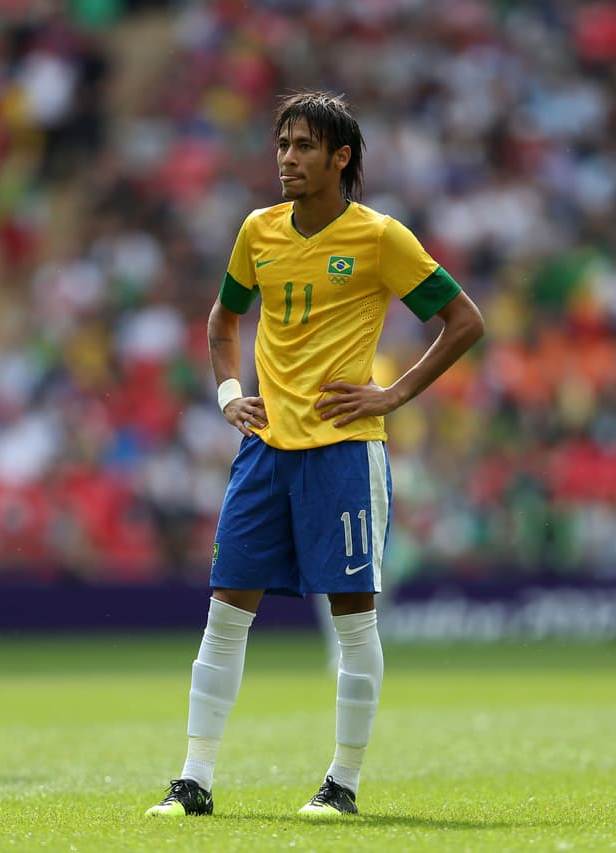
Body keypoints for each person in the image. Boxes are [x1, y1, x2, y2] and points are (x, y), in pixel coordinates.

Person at [146, 91, 484, 818]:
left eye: (304, 146)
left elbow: (465, 320)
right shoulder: (257, 230)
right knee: (226, 613)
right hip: (265, 451)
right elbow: (221, 320)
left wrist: (391, 394)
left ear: (341, 158)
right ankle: (193, 779)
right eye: (282, 145)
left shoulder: (380, 237)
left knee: (353, 620)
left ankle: (343, 782)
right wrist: (228, 393)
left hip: (343, 453)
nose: (288, 159)